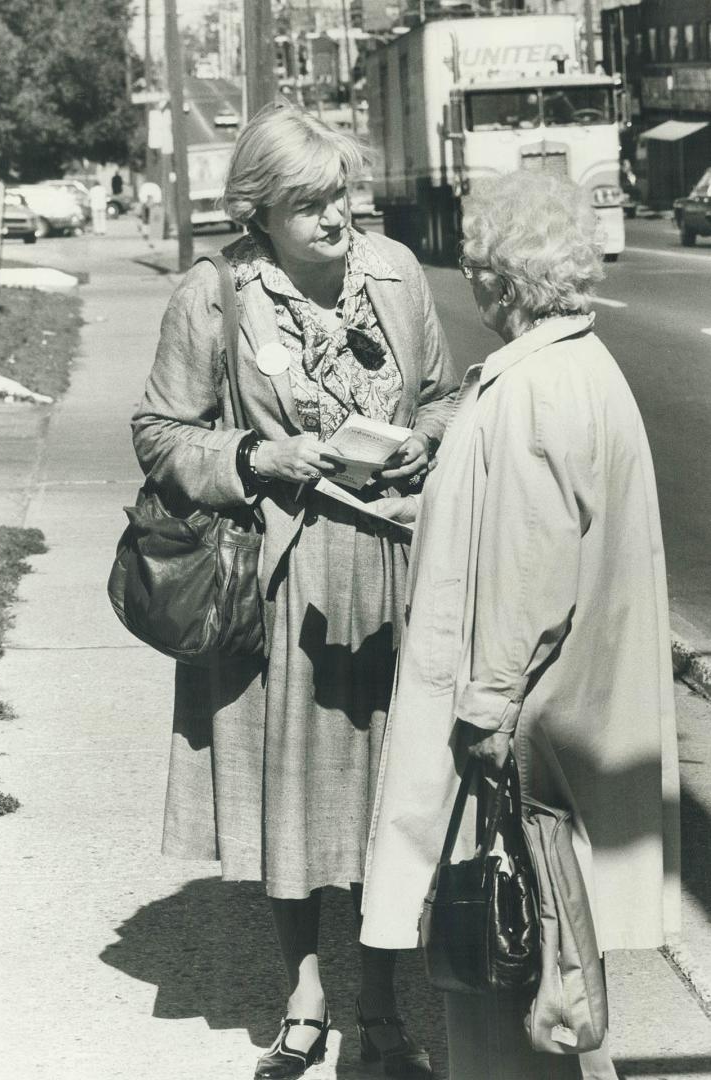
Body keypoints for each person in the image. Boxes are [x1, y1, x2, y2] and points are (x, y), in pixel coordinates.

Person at [131, 101, 458, 1080]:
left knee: (392, 800)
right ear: (259, 212)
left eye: (342, 198)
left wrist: (421, 441)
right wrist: (261, 454)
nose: (334, 220)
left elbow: (442, 395)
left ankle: (388, 1009)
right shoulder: (218, 293)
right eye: (309, 204)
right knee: (295, 801)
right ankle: (307, 993)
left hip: (397, 570)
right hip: (281, 581)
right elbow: (158, 431)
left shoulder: (396, 276)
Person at [360, 171, 681, 1080]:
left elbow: (530, 576)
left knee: (506, 966)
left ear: (500, 279)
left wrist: (487, 709)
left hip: (520, 725)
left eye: (471, 265)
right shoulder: (583, 369)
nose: (468, 281)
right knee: (550, 958)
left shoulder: (534, 388)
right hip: (560, 718)